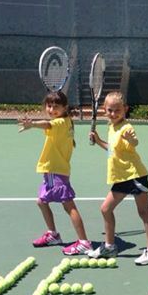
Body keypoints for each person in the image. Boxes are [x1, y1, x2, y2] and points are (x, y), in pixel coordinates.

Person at [87, 91, 148, 265]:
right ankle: (110, 247)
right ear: (105, 110)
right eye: (110, 110)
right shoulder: (112, 127)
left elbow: (134, 143)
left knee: (143, 212)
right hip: (120, 178)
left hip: (135, 176)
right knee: (105, 209)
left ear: (125, 109)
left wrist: (131, 140)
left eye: (117, 110)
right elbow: (113, 149)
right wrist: (98, 141)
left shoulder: (127, 128)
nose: (113, 113)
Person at [18, 91, 90, 254]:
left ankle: (84, 242)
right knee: (41, 202)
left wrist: (33, 124)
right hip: (55, 170)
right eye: (49, 106)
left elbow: (47, 124)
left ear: (65, 108)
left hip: (55, 170)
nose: (51, 109)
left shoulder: (59, 123)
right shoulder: (67, 122)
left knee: (69, 206)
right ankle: (53, 235)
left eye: (56, 107)